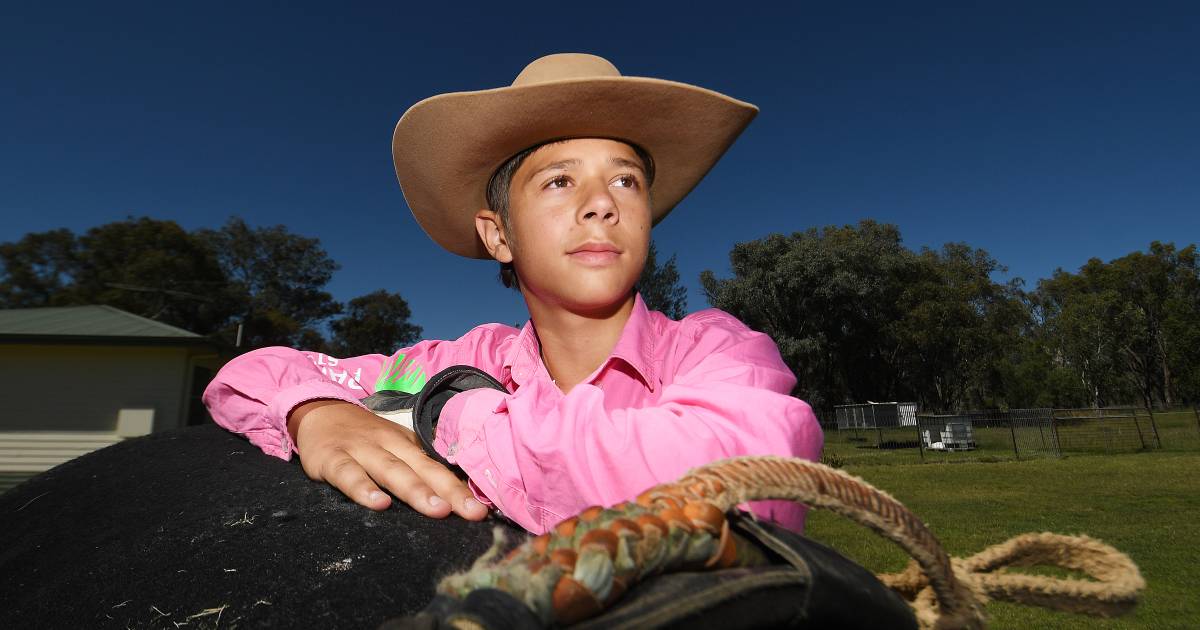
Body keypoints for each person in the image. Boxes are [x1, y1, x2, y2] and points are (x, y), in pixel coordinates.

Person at [203, 53, 823, 535]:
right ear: (498, 235)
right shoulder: (450, 364)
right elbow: (252, 373)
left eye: (626, 181)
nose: (602, 203)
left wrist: (444, 413)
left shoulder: (718, 350)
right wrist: (316, 412)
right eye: (559, 180)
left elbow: (740, 486)